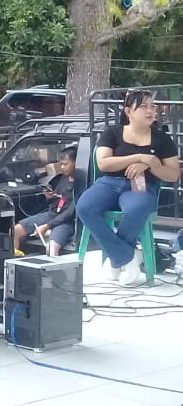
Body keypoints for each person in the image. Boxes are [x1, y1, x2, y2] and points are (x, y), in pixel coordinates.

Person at [76, 88, 179, 286]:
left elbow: (173, 174)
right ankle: (127, 257)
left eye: (152, 107)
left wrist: (151, 164)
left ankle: (116, 258)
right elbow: (104, 163)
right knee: (85, 206)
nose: (150, 111)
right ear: (129, 111)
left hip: (140, 186)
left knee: (136, 209)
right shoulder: (112, 133)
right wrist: (139, 157)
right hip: (109, 183)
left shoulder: (162, 139)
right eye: (143, 107)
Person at [16, 147, 77, 255]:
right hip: (52, 214)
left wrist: (47, 226)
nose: (62, 167)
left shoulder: (81, 182)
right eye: (61, 164)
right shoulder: (63, 178)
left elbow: (70, 212)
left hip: (66, 221)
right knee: (16, 230)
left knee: (51, 249)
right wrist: (50, 197)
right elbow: (57, 200)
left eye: (65, 164)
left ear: (76, 163)